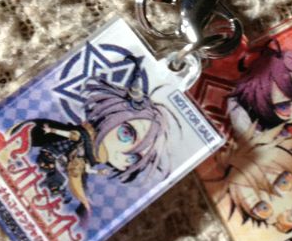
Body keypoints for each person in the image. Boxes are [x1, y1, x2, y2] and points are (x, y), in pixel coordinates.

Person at [13, 71, 174, 216]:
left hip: (37, 202)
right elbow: (22, 134)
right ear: (109, 116)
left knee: (57, 185)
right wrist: (51, 131)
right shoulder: (77, 135)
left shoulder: (84, 179)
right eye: (126, 133)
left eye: (135, 157)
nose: (124, 151)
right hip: (37, 159)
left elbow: (83, 174)